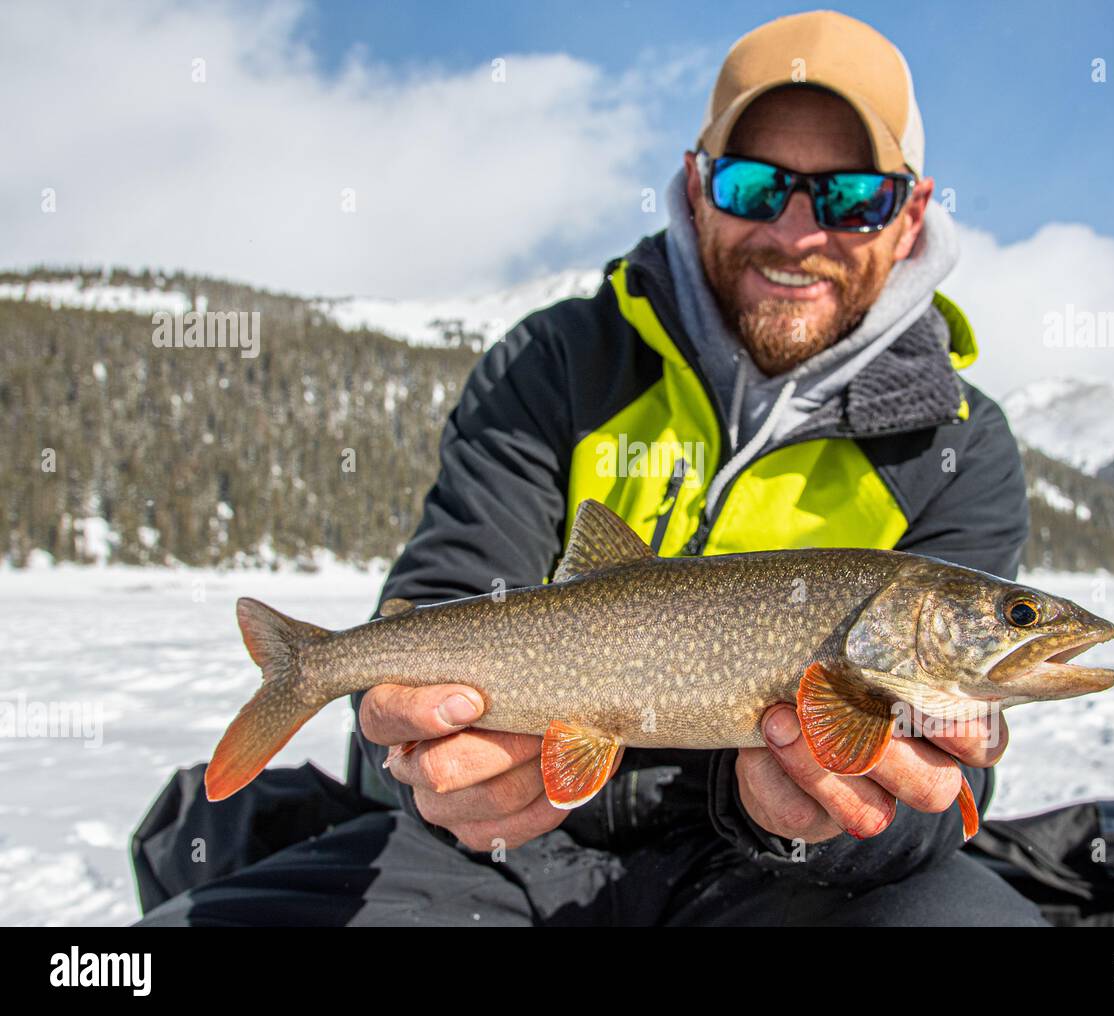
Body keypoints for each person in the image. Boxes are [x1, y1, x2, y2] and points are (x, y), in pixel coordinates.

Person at [136, 10, 1042, 926]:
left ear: (912, 211)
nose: (797, 230)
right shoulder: (558, 362)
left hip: (779, 879)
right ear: (696, 188)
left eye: (851, 197)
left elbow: (950, 790)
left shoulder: (960, 445)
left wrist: (842, 820)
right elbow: (444, 596)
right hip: (495, 849)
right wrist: (423, 760)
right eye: (754, 184)